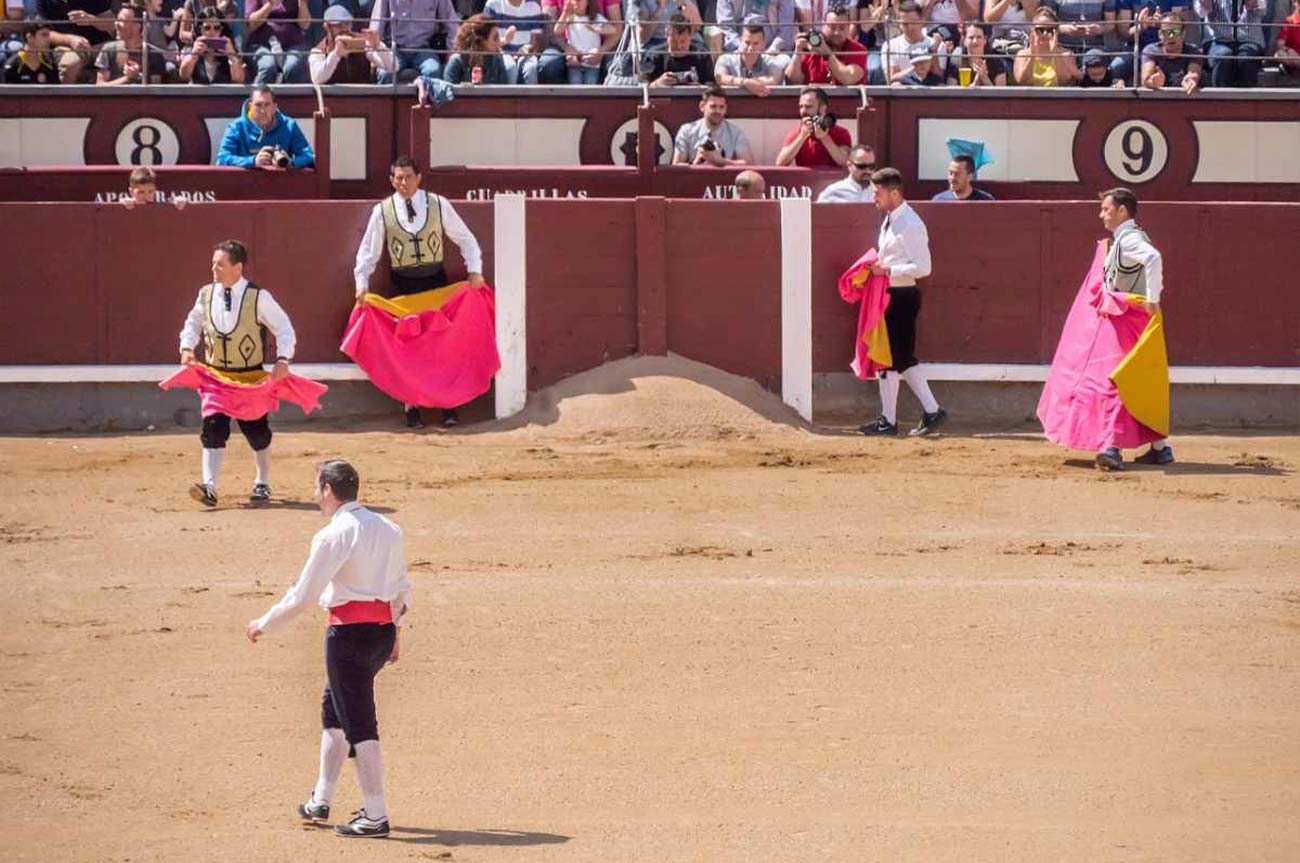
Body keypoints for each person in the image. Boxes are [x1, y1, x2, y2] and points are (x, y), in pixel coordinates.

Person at [246, 459, 412, 839]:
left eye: (316, 488)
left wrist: (264, 623)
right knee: (333, 709)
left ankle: (375, 815)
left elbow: (303, 596)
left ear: (327, 490)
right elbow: (403, 586)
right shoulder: (389, 528)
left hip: (349, 635)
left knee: (358, 721)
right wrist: (396, 632)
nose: (314, 495)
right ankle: (321, 799)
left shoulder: (333, 535)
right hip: (382, 630)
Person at [353, 156, 485, 429]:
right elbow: (369, 252)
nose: (403, 183)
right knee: (409, 347)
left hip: (436, 282)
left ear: (419, 178)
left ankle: (450, 405)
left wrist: (474, 270)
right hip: (403, 285)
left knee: (443, 344)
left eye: (408, 177)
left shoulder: (438, 204)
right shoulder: (382, 211)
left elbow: (466, 238)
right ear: (392, 180)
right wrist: (361, 285)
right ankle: (410, 405)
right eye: (398, 178)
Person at [178, 239, 297, 506]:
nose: (214, 269)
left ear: (237, 267)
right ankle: (209, 486)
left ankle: (262, 481)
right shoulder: (206, 294)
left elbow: (284, 328)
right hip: (216, 377)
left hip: (249, 378)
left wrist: (283, 358)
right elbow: (194, 321)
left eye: (220, 264)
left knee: (257, 433)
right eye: (213, 263)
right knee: (212, 428)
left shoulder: (258, 297)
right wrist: (187, 346)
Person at [859, 168, 947, 438]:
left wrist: (887, 271)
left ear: (894, 193)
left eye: (878, 192)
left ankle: (895, 419)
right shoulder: (891, 219)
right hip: (890, 295)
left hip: (902, 296)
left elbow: (924, 268)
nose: (874, 197)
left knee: (894, 359)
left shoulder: (910, 223)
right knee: (897, 358)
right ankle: (927, 412)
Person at [1095, 187, 1170, 468]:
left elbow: (1153, 258)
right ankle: (1160, 448)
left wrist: (1152, 299)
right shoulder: (1123, 239)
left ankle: (1112, 448)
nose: (1101, 214)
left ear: (1122, 210)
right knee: (1138, 381)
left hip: (1130, 318)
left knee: (1120, 381)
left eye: (1106, 209)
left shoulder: (1129, 240)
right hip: (1130, 317)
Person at [216, 84, 315, 170]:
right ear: (250, 106)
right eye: (258, 105)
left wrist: (290, 162)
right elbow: (222, 159)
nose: (263, 111)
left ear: (274, 107)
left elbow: (308, 156)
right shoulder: (236, 128)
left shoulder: (289, 126)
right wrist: (253, 161)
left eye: (267, 105)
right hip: (245, 187)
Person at [369, 0, 459, 83]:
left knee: (433, 71)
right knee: (385, 74)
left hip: (424, 49)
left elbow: (452, 23)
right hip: (394, 49)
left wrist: (451, 51)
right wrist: (376, 54)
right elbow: (376, 25)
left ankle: (428, 100)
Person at [309, 5, 395, 83]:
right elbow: (317, 79)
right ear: (327, 27)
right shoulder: (319, 50)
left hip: (363, 97)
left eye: (347, 24)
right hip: (331, 99)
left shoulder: (362, 42)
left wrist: (378, 45)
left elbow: (393, 67)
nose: (344, 29)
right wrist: (336, 55)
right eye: (338, 25)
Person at [783, 4, 866, 85]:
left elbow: (848, 79)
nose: (837, 32)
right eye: (832, 27)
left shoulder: (858, 49)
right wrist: (798, 52)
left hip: (846, 98)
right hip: (814, 97)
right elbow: (792, 81)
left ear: (848, 28)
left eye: (842, 28)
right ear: (824, 26)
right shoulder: (811, 45)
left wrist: (826, 53)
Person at [672, 85, 754, 167]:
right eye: (713, 106)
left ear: (725, 109)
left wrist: (721, 161)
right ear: (702, 106)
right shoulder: (686, 131)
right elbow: (676, 165)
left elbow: (749, 164)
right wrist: (695, 164)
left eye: (721, 107)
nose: (718, 111)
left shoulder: (735, 133)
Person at [38, 0, 117, 83]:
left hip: (99, 46)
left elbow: (112, 23)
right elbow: (44, 33)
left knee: (120, 53)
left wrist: (92, 20)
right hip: (66, 48)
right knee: (70, 64)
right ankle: (67, 95)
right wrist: (70, 40)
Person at [775, 86, 851, 168]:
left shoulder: (840, 133)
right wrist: (802, 137)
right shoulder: (797, 134)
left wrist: (824, 137)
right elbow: (780, 163)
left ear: (822, 108)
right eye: (801, 106)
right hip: (804, 180)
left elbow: (845, 162)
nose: (803, 111)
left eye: (808, 107)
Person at [1194, 0, 1264, 87]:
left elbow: (1262, 8)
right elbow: (1201, 13)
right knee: (1223, 56)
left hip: (1249, 40)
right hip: (1217, 40)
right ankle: (1221, 99)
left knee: (1246, 58)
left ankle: (1246, 99)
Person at [94, 5, 168, 84]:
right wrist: (127, 78)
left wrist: (138, 76)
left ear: (137, 26)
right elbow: (100, 86)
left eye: (121, 20)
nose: (116, 24)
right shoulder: (109, 50)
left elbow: (155, 91)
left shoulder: (154, 55)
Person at [244, 0, 310, 84]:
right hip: (261, 45)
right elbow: (251, 24)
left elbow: (305, 25)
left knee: (292, 66)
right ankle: (258, 96)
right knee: (268, 66)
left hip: (293, 45)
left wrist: (302, 3)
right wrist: (270, 4)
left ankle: (290, 96)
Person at [177, 5, 246, 84]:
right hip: (198, 95)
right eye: (207, 28)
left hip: (222, 95)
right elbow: (183, 75)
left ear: (222, 30)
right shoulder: (194, 49)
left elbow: (239, 80)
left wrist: (232, 56)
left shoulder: (229, 50)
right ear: (200, 29)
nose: (212, 33)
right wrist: (193, 56)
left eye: (216, 28)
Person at [713, 20, 786, 94]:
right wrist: (745, 82)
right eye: (747, 43)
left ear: (763, 44)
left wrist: (748, 83)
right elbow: (720, 78)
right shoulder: (725, 59)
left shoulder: (770, 61)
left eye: (755, 43)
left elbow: (773, 80)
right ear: (740, 40)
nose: (750, 48)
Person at [1014, 6, 1081, 84]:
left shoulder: (1066, 54)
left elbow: (1064, 82)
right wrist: (1032, 55)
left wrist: (1055, 53)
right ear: (1032, 30)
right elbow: (1022, 81)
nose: (1045, 34)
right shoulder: (1023, 54)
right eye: (1040, 30)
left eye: (1050, 30)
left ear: (1056, 32)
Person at [642, 12, 714, 85]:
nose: (679, 46)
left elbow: (711, 86)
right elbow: (643, 87)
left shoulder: (702, 55)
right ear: (666, 34)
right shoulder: (654, 55)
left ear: (691, 36)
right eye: (674, 41)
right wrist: (658, 83)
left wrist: (699, 88)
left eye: (683, 41)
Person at [551, 0, 613, 84]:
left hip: (592, 63)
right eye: (574, 1)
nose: (577, 3)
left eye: (580, 1)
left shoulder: (596, 17)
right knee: (575, 88)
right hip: (575, 62)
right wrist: (565, 12)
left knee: (590, 88)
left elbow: (612, 30)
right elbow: (557, 31)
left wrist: (597, 29)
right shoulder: (570, 18)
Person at [1138, 10, 1201, 92]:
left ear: (1183, 34)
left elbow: (1194, 73)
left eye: (1175, 32)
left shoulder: (1193, 51)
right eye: (1167, 32)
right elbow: (1145, 79)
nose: (1171, 36)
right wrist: (1152, 82)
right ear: (1160, 34)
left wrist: (1191, 80)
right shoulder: (1150, 50)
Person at [944, 22, 1008, 85]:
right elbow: (951, 90)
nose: (975, 41)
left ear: (985, 40)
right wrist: (975, 83)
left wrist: (984, 78)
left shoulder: (996, 61)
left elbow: (1000, 93)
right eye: (971, 38)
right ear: (964, 41)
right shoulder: (956, 60)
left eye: (979, 37)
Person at [1, 19, 59, 83]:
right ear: (30, 37)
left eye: (48, 35)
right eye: (44, 35)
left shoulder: (49, 65)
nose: (48, 39)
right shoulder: (12, 66)